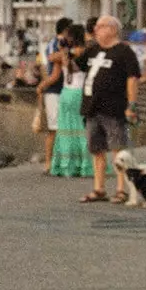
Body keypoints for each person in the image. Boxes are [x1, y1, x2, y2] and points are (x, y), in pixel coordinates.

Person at [80, 15, 141, 204]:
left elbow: (132, 78)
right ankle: (99, 188)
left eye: (101, 27)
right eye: (96, 27)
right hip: (92, 106)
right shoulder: (92, 51)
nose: (96, 30)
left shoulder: (124, 52)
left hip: (114, 107)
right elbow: (76, 65)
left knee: (118, 149)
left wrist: (131, 105)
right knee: (96, 149)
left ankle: (122, 189)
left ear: (113, 29)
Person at [48, 23, 93, 180]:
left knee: (66, 129)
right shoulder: (85, 52)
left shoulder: (66, 54)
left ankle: (66, 164)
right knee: (81, 128)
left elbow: (52, 58)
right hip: (79, 92)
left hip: (67, 93)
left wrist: (63, 50)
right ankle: (84, 164)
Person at [35, 22, 74, 172]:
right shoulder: (59, 44)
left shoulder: (54, 44)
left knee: (55, 129)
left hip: (57, 91)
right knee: (56, 129)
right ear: (65, 31)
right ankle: (50, 163)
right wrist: (43, 85)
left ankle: (51, 163)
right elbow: (55, 72)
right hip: (56, 91)